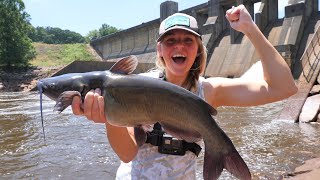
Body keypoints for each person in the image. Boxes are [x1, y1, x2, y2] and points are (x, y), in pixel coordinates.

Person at [71, 5, 297, 179]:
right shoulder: (135, 86)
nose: (179, 46)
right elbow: (127, 153)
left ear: (198, 48)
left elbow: (284, 87)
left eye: (188, 40)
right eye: (170, 41)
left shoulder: (209, 90)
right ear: (159, 50)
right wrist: (109, 114)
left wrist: (250, 28)